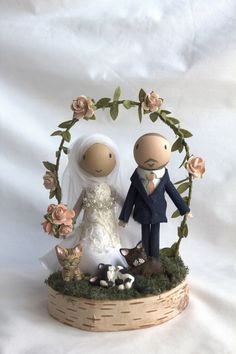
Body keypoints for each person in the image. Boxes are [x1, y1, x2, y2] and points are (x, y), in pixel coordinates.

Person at [40, 134, 125, 274]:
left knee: (111, 245)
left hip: (109, 226)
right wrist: (68, 221)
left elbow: (124, 203)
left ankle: (112, 266)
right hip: (91, 225)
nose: (98, 164)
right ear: (80, 162)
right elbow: (76, 209)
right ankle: (91, 266)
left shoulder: (111, 189)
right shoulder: (87, 191)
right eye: (87, 158)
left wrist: (130, 212)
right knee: (91, 243)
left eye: (109, 156)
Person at [119, 133, 191, 259]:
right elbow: (130, 199)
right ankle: (145, 258)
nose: (151, 157)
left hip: (157, 211)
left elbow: (174, 193)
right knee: (145, 235)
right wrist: (124, 217)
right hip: (143, 211)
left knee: (156, 234)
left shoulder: (164, 178)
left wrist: (184, 209)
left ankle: (155, 259)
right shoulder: (137, 179)